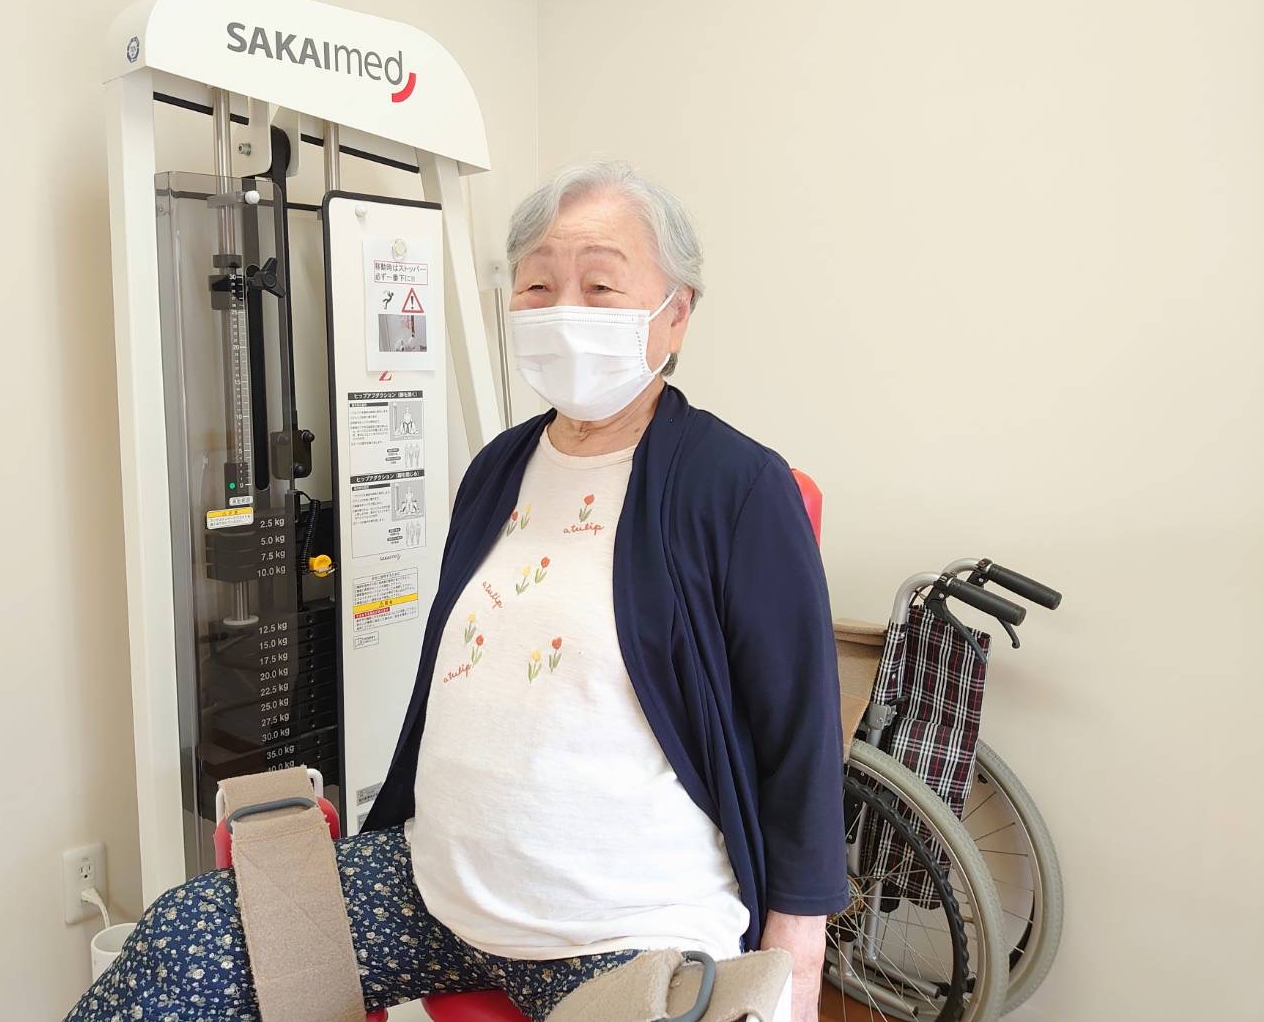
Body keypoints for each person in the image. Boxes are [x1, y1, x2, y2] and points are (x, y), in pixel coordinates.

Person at [66, 161, 845, 1022]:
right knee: (180, 935)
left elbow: (797, 734)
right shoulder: (497, 469)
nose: (562, 310)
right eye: (538, 286)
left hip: (624, 925)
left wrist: (796, 960)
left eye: (599, 286)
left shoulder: (736, 486)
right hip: (432, 888)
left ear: (676, 313)